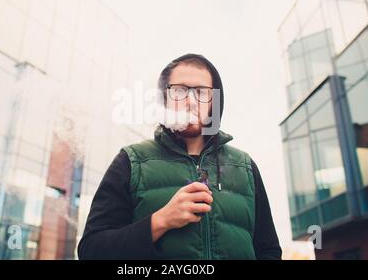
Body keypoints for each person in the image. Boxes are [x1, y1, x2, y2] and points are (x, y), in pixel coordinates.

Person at [78, 53, 282, 259]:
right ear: (164, 98)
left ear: (215, 102)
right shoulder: (132, 161)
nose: (191, 101)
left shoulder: (244, 166)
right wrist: (161, 220)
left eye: (202, 92)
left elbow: (269, 251)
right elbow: (91, 250)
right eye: (180, 91)